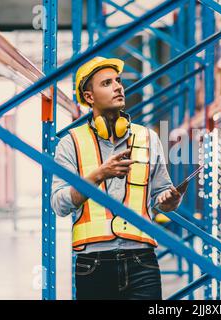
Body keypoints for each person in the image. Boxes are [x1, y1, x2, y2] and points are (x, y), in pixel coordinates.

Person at [51, 56, 183, 300]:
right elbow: (59, 204)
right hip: (93, 264)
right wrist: (100, 173)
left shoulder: (148, 138)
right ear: (89, 97)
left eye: (119, 81)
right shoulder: (70, 144)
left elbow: (161, 196)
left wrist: (170, 199)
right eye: (107, 83)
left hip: (142, 261)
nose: (118, 86)